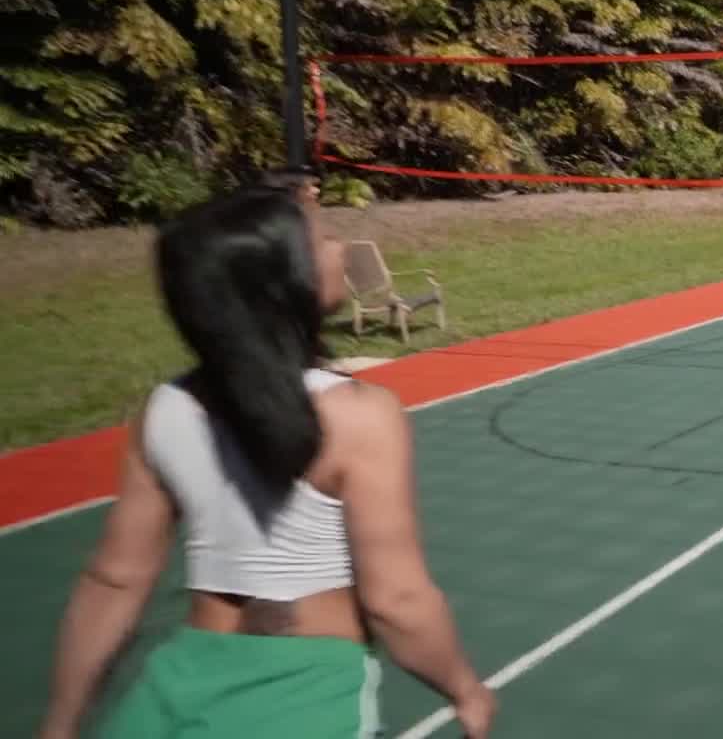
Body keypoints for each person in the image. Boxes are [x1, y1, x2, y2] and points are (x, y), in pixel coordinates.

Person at [35, 186, 494, 739]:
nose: (339, 245)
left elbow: (114, 581)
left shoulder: (165, 410)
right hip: (304, 693)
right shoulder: (359, 415)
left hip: (175, 690)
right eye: (321, 238)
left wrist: (59, 725)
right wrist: (464, 689)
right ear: (287, 278)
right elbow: (397, 601)